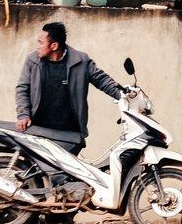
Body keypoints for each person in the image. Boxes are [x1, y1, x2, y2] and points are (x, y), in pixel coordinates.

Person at [15, 21, 124, 155]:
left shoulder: (81, 61)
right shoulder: (33, 60)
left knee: (64, 175)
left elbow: (101, 80)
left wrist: (123, 96)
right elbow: (22, 88)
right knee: (38, 171)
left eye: (41, 42)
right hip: (39, 128)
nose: (37, 46)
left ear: (54, 45)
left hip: (69, 132)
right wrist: (23, 114)